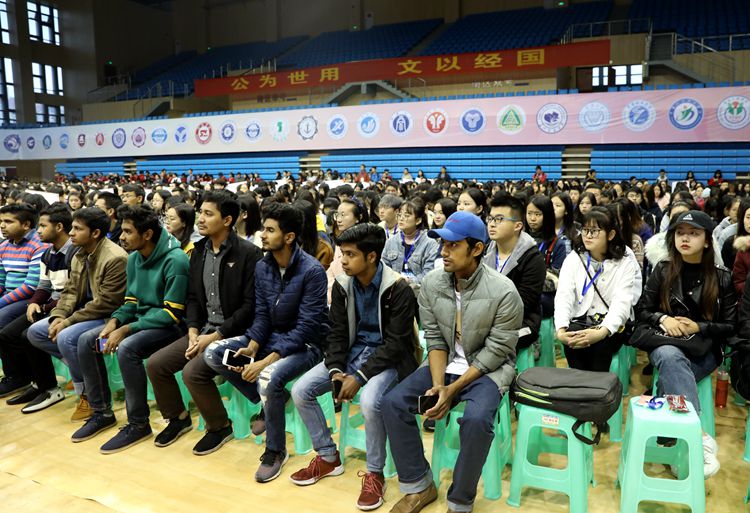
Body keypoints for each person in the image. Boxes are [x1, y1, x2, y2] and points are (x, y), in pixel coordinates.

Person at [383, 211, 523, 513]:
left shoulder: (503, 291)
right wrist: (438, 386)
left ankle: (460, 501)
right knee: (392, 403)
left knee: (476, 420)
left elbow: (496, 351)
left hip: (487, 370)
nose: (444, 252)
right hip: (442, 365)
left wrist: (453, 389)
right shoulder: (433, 283)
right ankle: (419, 485)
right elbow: (434, 337)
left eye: (453, 245)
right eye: (442, 244)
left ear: (476, 249)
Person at [289, 224, 419, 510]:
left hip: (389, 360)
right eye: (341, 254)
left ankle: (375, 473)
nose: (343, 261)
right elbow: (336, 333)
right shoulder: (343, 285)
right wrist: (336, 370)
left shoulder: (398, 288)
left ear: (371, 256)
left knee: (371, 401)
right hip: (352, 354)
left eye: (350, 254)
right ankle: (327, 456)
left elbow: (396, 344)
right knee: (301, 390)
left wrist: (358, 377)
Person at [203, 202, 329, 483]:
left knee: (268, 376)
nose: (262, 234)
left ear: (289, 237)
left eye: (270, 230)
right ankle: (270, 399)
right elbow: (262, 315)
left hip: (308, 346)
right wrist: (254, 344)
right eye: (263, 228)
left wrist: (265, 361)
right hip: (272, 339)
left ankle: (276, 450)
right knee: (214, 353)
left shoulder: (312, 271)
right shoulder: (263, 267)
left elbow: (307, 328)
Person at [147, 191, 263, 452]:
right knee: (156, 364)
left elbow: (250, 307)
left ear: (227, 220)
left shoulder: (249, 254)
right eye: (201, 212)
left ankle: (219, 427)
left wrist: (215, 336)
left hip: (236, 335)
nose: (200, 218)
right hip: (203, 330)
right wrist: (192, 330)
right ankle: (178, 418)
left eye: (208, 214)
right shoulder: (199, 251)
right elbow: (192, 298)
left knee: (193, 372)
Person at [72, 205, 189, 453]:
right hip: (141, 322)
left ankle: (138, 423)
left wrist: (126, 329)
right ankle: (102, 412)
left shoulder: (176, 260)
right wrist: (115, 321)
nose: (121, 237)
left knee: (127, 349)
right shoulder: (135, 257)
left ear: (147, 234)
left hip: (172, 327)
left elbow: (172, 313)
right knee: (87, 341)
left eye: (127, 232)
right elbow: (131, 302)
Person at [635, 210, 735, 478]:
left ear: (707, 240)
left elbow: (730, 326)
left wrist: (698, 327)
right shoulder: (663, 270)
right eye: (680, 233)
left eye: (694, 233)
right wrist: (663, 318)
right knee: (669, 355)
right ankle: (698, 437)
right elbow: (642, 310)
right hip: (665, 341)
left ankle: (675, 435)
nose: (685, 238)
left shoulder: (722, 277)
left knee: (671, 370)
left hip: (703, 349)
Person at [27, 207, 128, 422]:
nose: (71, 233)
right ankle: (84, 373)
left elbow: (106, 303)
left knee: (67, 337)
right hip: (84, 313)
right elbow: (70, 291)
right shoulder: (79, 253)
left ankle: (88, 395)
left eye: (77, 228)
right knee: (35, 332)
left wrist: (68, 322)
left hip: (111, 317)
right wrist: (58, 316)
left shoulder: (115, 257)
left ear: (95, 233)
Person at [0, 204, 76, 411]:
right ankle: (35, 382)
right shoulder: (48, 252)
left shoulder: (74, 253)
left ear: (59, 227)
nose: (38, 230)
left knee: (27, 334)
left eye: (42, 226)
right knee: (9, 333)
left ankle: (50, 388)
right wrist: (35, 302)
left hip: (69, 307)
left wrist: (43, 304)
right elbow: (44, 285)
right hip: (51, 304)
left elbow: (73, 293)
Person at [554, 206, 642, 372]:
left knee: (600, 344)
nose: (587, 235)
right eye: (585, 230)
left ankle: (597, 384)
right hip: (580, 319)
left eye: (594, 231)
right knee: (573, 336)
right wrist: (561, 329)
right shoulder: (574, 258)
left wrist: (602, 331)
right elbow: (564, 296)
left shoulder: (625, 262)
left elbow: (622, 304)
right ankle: (579, 382)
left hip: (611, 325)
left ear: (610, 234)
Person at [483, 193, 546, 352]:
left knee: (494, 340)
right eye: (490, 219)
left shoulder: (533, 258)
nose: (492, 224)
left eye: (499, 219)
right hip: (485, 319)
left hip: (522, 323)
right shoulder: (485, 252)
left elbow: (523, 304)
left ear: (517, 226)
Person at [0, 203, 48, 337]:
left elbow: (30, 287)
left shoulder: (39, 245)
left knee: (1, 319)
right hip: (9, 295)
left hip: (30, 298)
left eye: (8, 221)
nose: (2, 225)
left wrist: (1, 302)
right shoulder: (4, 246)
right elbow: (1, 281)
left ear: (26, 225)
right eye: (1, 221)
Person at [382, 198, 439, 287]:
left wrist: (406, 280)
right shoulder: (391, 242)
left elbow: (429, 274)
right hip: (395, 289)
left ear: (418, 220)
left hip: (419, 291)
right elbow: (384, 268)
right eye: (399, 215)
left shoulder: (430, 243)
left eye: (406, 215)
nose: (401, 218)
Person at [327, 198, 369, 302]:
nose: (338, 220)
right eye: (337, 215)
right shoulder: (341, 241)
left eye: (343, 215)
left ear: (358, 218)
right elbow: (331, 271)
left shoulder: (367, 242)